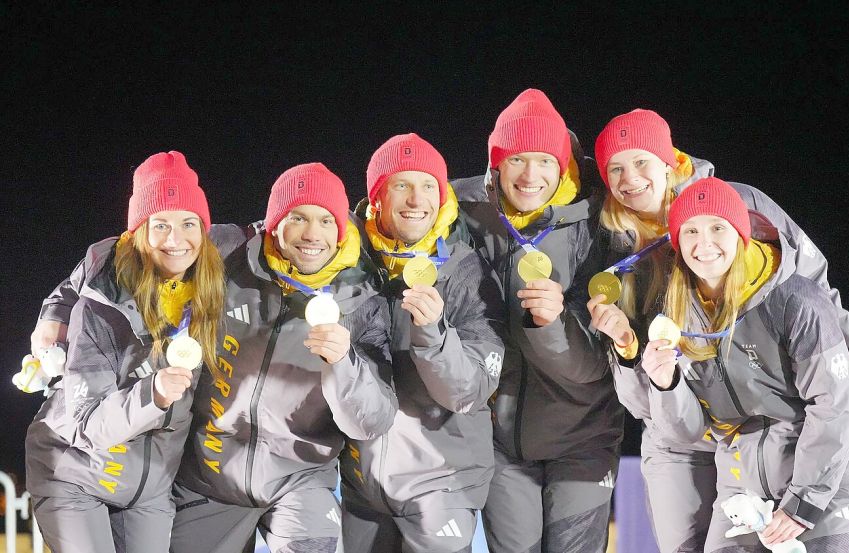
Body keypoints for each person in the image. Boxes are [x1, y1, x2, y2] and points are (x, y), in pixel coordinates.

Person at [32, 162, 398, 553]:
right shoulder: (231, 250)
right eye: (297, 217)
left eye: (327, 220)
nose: (312, 233)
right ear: (273, 223)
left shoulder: (364, 299)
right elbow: (118, 250)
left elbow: (373, 420)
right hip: (210, 478)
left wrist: (344, 364)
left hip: (300, 479)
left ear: (342, 228)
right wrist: (56, 312)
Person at [585, 109, 849, 552]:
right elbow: (638, 368)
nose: (630, 178)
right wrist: (634, 359)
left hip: (766, 418)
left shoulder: (739, 204)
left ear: (668, 159)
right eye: (615, 168)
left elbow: (814, 298)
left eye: (641, 161)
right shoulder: (612, 243)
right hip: (689, 419)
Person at [644, 177, 849, 551]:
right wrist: (666, 385)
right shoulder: (677, 315)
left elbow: (834, 406)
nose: (703, 243)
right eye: (690, 230)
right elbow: (685, 431)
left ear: (741, 234)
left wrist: (802, 504)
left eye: (717, 228)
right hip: (745, 480)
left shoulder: (795, 300)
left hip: (832, 475)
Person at [25, 151, 225, 553]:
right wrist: (152, 395)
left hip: (148, 490)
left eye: (189, 224)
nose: (176, 239)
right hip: (75, 472)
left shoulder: (212, 283)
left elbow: (280, 233)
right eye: (161, 225)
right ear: (137, 233)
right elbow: (86, 425)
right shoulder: (101, 304)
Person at [452, 89, 621, 553]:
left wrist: (552, 325)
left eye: (546, 161)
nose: (531, 175)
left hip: (583, 438)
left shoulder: (598, 224)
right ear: (496, 165)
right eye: (517, 159)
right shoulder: (462, 212)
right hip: (500, 442)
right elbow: (397, 204)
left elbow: (598, 364)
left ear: (565, 167)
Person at [340, 133, 505, 552]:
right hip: (362, 485)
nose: (417, 199)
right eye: (402, 185)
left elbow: (470, 390)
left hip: (442, 482)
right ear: (376, 198)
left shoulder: (469, 273)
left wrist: (432, 333)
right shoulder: (345, 262)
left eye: (428, 185)